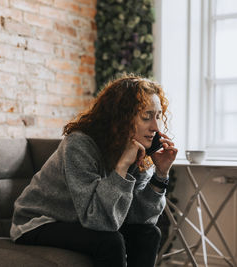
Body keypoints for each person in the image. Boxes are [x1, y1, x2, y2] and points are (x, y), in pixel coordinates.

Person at [10, 74, 178, 267]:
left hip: (82, 221)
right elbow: (98, 221)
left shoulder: (139, 149)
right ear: (120, 118)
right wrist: (122, 166)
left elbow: (140, 219)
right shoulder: (79, 145)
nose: (156, 127)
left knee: (149, 234)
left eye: (158, 116)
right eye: (146, 117)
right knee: (109, 242)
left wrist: (161, 174)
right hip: (40, 222)